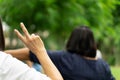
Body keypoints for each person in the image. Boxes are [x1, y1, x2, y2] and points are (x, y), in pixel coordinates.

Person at [5, 26, 115, 80]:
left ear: (72, 40)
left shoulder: (64, 58)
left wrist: (4, 54)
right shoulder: (103, 66)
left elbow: (30, 53)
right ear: (92, 43)